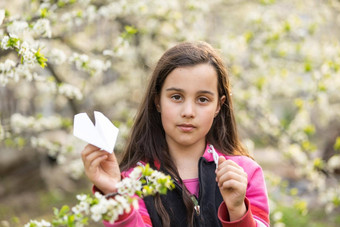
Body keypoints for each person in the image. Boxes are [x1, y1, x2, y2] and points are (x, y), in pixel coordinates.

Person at [81, 41, 270, 227]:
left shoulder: (244, 173)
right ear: (157, 101)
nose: (188, 111)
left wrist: (238, 211)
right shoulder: (133, 180)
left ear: (218, 106)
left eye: (203, 99)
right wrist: (115, 192)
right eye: (176, 97)